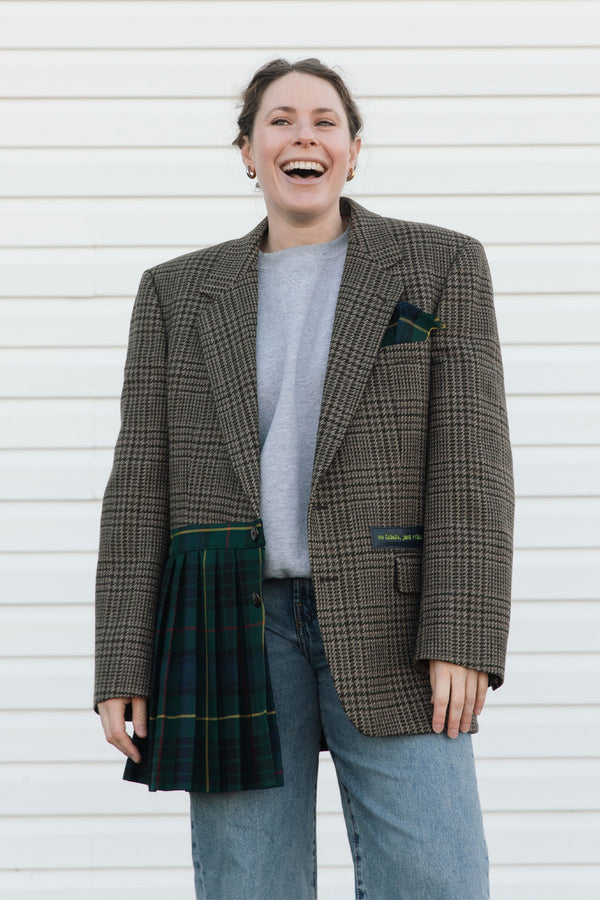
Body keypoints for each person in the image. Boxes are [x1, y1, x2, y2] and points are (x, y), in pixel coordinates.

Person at [95, 57, 514, 899]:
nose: (303, 136)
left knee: (437, 878)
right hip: (227, 623)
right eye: (279, 120)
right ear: (248, 152)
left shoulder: (440, 266)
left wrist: (464, 632)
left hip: (397, 620)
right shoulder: (177, 292)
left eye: (324, 121)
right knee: (249, 882)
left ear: (354, 151)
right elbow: (139, 483)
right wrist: (121, 662)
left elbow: (473, 466)